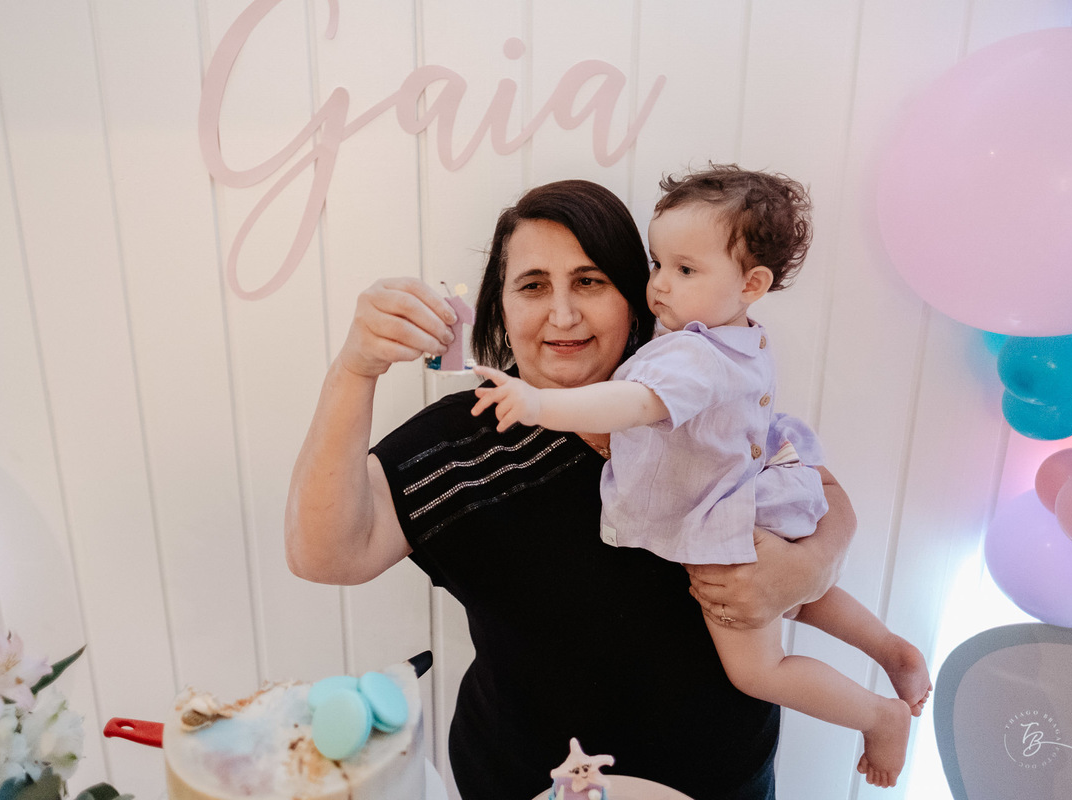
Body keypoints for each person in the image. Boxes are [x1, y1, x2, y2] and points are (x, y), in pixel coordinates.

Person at [285, 178, 859, 800]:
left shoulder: (696, 381)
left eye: (589, 281)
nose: (562, 314)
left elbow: (814, 484)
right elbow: (324, 554)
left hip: (725, 784)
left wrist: (812, 565)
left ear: (633, 297)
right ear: (500, 307)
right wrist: (355, 368)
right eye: (533, 286)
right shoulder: (464, 442)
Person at [470, 166, 932, 788]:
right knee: (802, 595)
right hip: (758, 496)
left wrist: (539, 403)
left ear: (752, 283)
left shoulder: (692, 355)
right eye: (658, 264)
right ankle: (892, 649)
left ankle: (878, 717)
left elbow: (635, 404)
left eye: (685, 270)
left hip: (722, 523)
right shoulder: (738, 339)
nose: (660, 284)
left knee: (758, 670)